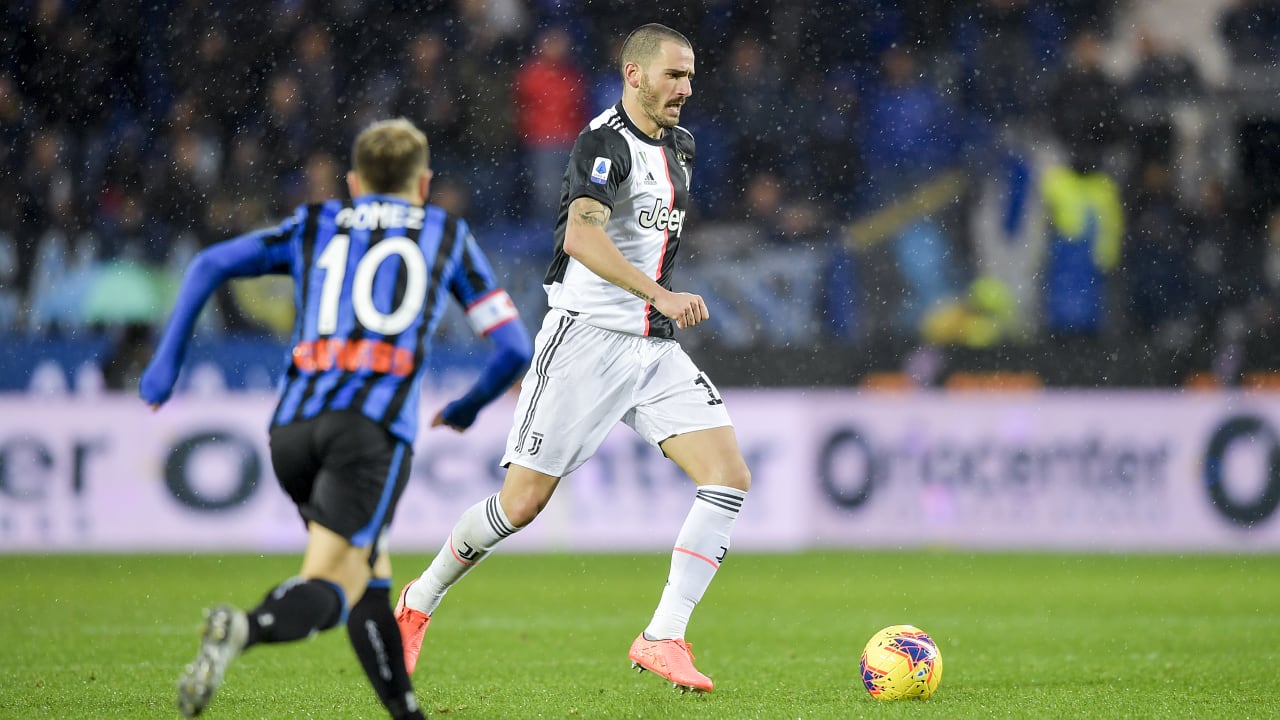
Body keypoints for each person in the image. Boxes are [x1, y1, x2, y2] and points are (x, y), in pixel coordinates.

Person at [395, 23, 752, 694]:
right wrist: (662, 294)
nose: (687, 88)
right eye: (674, 75)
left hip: (651, 347)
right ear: (635, 75)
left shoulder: (682, 146)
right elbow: (582, 237)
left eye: (692, 75)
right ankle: (419, 600)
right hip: (584, 342)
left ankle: (663, 635)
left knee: (728, 476)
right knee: (522, 504)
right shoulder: (603, 142)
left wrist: (656, 307)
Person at [139, 118, 533, 719]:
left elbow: (208, 265)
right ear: (423, 184)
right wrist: (467, 407)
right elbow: (513, 349)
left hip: (292, 432)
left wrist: (165, 364)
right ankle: (242, 629)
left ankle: (407, 713)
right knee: (332, 580)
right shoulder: (443, 232)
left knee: (369, 578)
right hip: (368, 434)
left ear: (352, 182)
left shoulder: (316, 222)